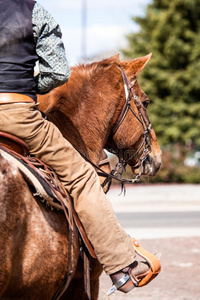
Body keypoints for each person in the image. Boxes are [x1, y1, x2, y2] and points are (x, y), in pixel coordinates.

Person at [0, 0, 152, 293]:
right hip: (17, 116)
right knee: (82, 178)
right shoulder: (34, 12)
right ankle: (122, 266)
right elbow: (57, 74)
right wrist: (24, 85)